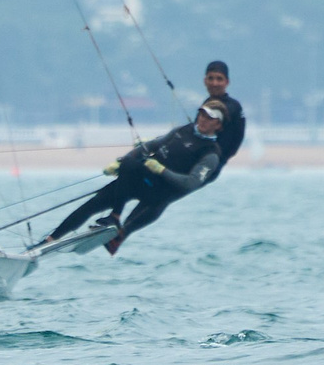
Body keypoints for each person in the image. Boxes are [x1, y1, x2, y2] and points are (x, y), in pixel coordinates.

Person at [44, 100, 228, 255]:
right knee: (95, 202)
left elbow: (190, 183)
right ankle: (49, 240)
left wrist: (160, 170)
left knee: (131, 169)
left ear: (218, 125)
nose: (203, 119)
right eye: (202, 114)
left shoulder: (210, 154)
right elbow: (151, 146)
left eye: (210, 118)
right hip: (142, 180)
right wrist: (120, 162)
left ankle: (116, 222)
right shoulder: (183, 130)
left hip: (159, 193)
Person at [202, 60, 246, 161]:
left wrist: (220, 159)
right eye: (211, 78)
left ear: (227, 82)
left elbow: (237, 138)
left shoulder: (234, 107)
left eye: (219, 79)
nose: (214, 83)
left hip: (212, 160)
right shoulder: (206, 102)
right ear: (205, 81)